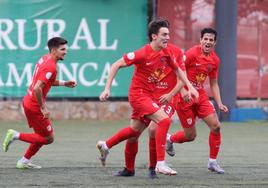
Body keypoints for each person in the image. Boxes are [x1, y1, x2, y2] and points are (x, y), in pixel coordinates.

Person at [97, 18, 198, 176]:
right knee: (164, 121)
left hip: (150, 97)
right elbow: (116, 64)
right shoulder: (142, 53)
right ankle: (159, 164)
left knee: (134, 131)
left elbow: (178, 70)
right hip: (138, 96)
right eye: (164, 34)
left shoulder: (167, 53)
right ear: (154, 36)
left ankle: (106, 146)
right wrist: (107, 89)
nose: (168, 37)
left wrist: (190, 87)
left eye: (168, 34)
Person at [2, 37, 77, 169]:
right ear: (54, 50)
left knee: (41, 136)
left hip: (29, 101)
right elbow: (38, 88)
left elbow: (45, 82)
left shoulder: (45, 58)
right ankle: (15, 135)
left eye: (66, 49)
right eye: (62, 49)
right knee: (48, 138)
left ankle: (24, 161)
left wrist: (64, 83)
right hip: (35, 105)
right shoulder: (51, 66)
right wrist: (43, 108)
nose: (65, 52)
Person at [165, 28, 228, 174]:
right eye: (205, 39)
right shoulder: (192, 54)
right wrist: (183, 90)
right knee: (190, 136)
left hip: (200, 96)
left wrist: (219, 103)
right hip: (184, 98)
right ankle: (170, 139)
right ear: (200, 40)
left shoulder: (215, 60)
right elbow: (177, 73)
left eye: (211, 40)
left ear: (215, 43)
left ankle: (212, 162)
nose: (208, 42)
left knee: (216, 126)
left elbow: (213, 83)